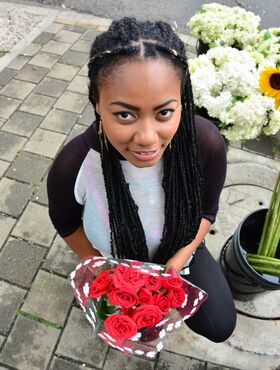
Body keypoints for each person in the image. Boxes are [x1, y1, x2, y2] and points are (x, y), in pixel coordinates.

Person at [47, 17, 236, 343]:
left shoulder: (204, 144)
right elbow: (65, 222)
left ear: (182, 98)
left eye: (164, 112)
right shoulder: (74, 164)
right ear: (97, 102)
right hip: (116, 264)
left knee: (219, 324)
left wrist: (179, 260)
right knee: (134, 329)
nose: (148, 138)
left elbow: (207, 211)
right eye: (125, 114)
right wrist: (100, 267)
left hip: (181, 249)